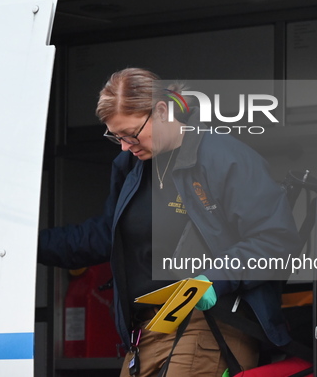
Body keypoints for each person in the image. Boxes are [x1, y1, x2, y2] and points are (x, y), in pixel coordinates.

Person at [38, 68, 302, 377]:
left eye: (132, 134)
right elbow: (105, 236)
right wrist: (23, 245)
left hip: (213, 323)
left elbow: (277, 240)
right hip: (147, 330)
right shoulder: (130, 166)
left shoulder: (223, 157)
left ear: (162, 111)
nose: (125, 146)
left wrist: (215, 278)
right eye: (116, 137)